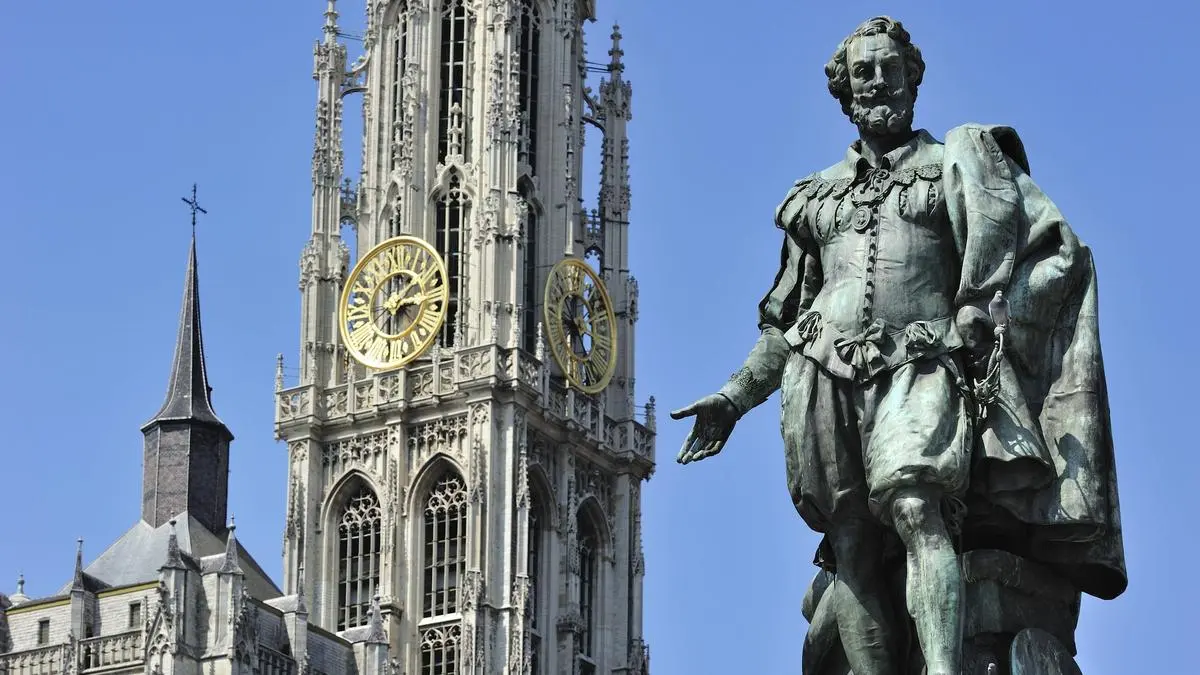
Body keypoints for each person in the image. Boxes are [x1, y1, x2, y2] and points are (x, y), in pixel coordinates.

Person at [671, 16, 1126, 675]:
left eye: (890, 68)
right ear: (845, 90)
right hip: (822, 376)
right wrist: (733, 397)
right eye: (864, 71)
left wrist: (988, 312)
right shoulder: (812, 196)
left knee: (917, 505)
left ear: (914, 78)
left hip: (922, 360)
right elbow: (783, 322)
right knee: (851, 542)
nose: (878, 80)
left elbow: (1053, 251)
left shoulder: (955, 167)